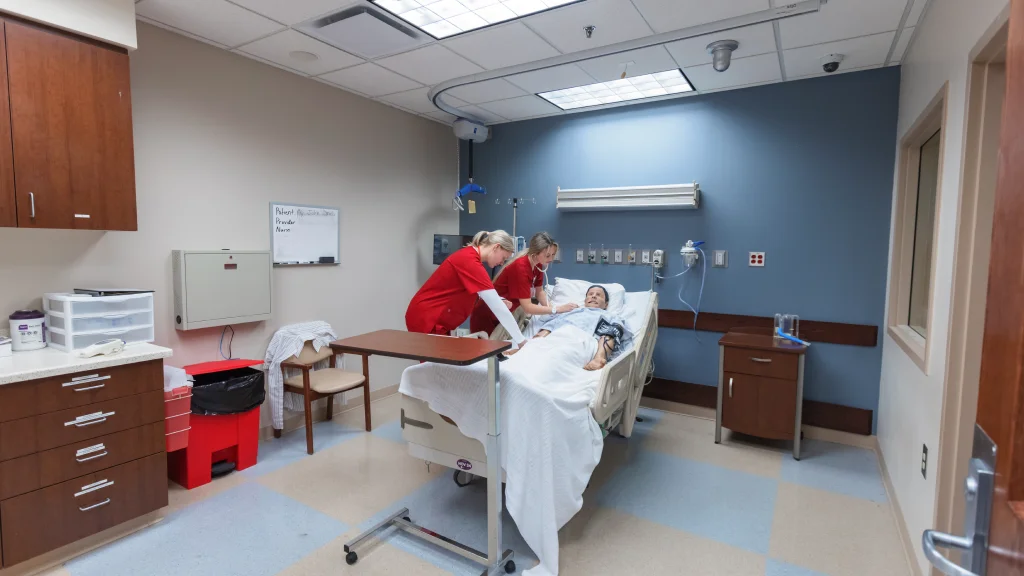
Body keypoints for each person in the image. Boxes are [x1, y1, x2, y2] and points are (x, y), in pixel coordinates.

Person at [405, 230, 528, 348]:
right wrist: (521, 341)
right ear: (496, 247)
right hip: (427, 317)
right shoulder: (470, 262)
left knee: (440, 364)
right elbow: (497, 308)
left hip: (432, 315)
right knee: (435, 366)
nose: (502, 263)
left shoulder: (470, 257)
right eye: (503, 257)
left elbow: (478, 291)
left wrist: (499, 299)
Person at [469, 232, 578, 335]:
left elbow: (539, 292)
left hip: (504, 313)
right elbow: (528, 307)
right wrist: (556, 309)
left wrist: (552, 309)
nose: (551, 259)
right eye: (547, 255)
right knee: (485, 352)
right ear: (536, 253)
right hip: (487, 315)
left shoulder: (537, 265)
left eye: (553, 255)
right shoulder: (521, 268)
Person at [514, 285, 633, 371]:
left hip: (583, 341)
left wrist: (600, 355)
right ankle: (526, 355)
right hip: (558, 338)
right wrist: (531, 344)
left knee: (553, 359)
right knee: (536, 353)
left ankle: (599, 359)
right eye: (590, 294)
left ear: (606, 304)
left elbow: (613, 333)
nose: (594, 297)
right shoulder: (571, 312)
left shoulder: (610, 316)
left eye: (598, 295)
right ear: (585, 300)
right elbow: (550, 326)